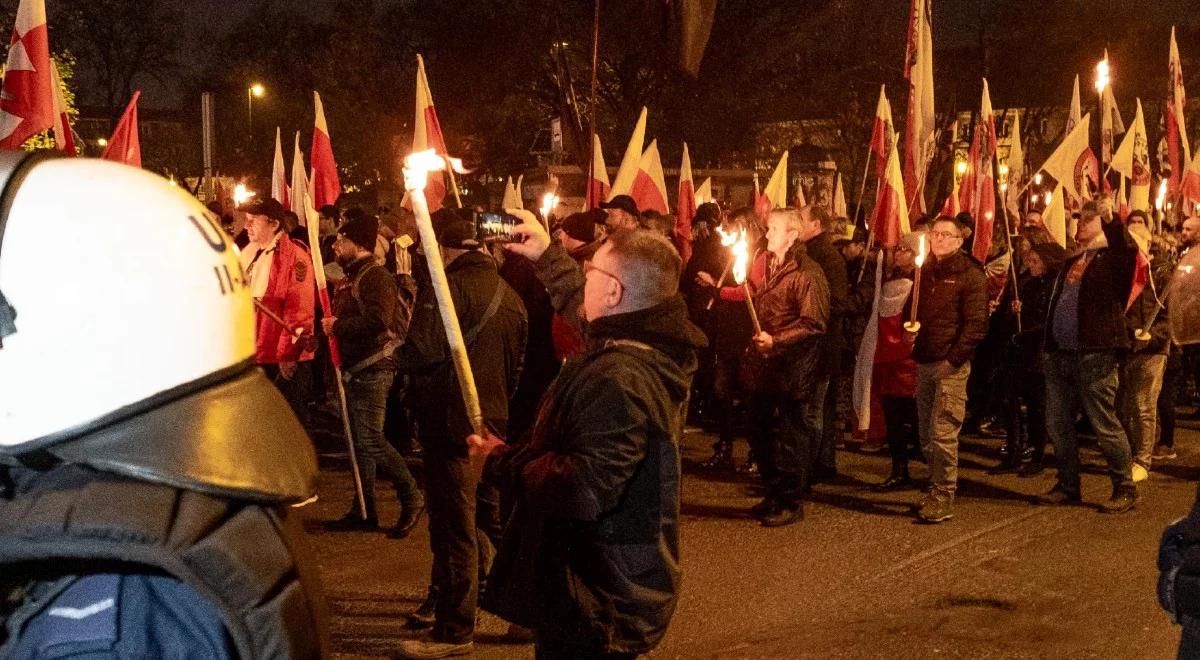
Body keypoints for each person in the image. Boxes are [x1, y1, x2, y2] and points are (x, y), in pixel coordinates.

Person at [0, 153, 327, 657]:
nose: (250, 223)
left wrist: (292, 351)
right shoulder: (170, 503)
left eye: (258, 218)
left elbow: (296, 307)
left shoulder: (111, 612)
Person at [472, 211, 705, 659]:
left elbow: (583, 487)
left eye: (591, 270)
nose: (585, 278)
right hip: (600, 587)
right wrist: (546, 256)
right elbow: (589, 317)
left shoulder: (619, 378)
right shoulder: (645, 338)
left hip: (596, 597)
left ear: (615, 291)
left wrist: (499, 462)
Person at [397, 209, 527, 659]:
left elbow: (419, 350)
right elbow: (517, 368)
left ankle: (454, 631)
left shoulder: (447, 290)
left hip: (450, 428)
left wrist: (400, 346)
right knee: (495, 521)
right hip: (492, 428)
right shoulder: (511, 294)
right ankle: (523, 612)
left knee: (456, 530)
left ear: (444, 249)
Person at [322, 214, 425, 536]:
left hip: (373, 368)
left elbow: (379, 320)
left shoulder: (375, 276)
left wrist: (337, 327)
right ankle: (364, 508)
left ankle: (412, 496)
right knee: (359, 442)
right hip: (357, 369)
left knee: (370, 439)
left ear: (360, 244)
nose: (336, 245)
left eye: (343, 240)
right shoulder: (355, 275)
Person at [1038, 198, 1139, 513]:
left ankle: (1124, 486)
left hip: (1095, 353)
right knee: (1057, 423)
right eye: (1079, 218)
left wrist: (1112, 220)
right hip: (1062, 353)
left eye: (1088, 219)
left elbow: (1127, 250)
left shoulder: (1112, 259)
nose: (1080, 223)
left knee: (1102, 422)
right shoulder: (1073, 260)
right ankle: (1068, 484)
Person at [740, 208, 830, 526]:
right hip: (767, 365)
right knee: (757, 429)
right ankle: (774, 492)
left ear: (792, 234)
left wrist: (776, 341)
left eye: (774, 228)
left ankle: (791, 501)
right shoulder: (774, 266)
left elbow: (814, 322)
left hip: (793, 367)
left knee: (791, 436)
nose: (767, 234)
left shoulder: (806, 272)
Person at [908, 215, 989, 523]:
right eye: (935, 234)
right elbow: (912, 309)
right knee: (926, 434)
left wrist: (953, 360)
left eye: (946, 235)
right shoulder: (924, 271)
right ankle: (935, 483)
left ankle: (944, 493)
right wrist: (910, 330)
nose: (938, 239)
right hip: (925, 361)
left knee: (943, 432)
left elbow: (976, 326)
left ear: (959, 241)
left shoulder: (970, 276)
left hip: (949, 365)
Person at [238, 197, 317, 424]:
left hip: (281, 358)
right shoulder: (250, 253)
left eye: (253, 220)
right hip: (257, 352)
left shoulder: (293, 257)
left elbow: (298, 311)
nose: (247, 226)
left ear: (273, 224)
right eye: (246, 220)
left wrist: (288, 356)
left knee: (288, 423)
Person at [992, 242, 1064, 476]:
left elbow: (1052, 323)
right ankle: (1013, 451)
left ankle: (1038, 455)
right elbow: (1010, 317)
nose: (1030, 265)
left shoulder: (1056, 287)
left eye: (1035, 261)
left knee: (1037, 406)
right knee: (1008, 399)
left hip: (1040, 353)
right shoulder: (1027, 284)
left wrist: (1027, 335)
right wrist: (1014, 311)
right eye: (1029, 260)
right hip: (1019, 352)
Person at [797, 204, 850, 483]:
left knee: (812, 411)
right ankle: (822, 463)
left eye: (801, 219)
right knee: (818, 409)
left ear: (816, 224)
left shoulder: (827, 258)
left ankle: (807, 470)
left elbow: (838, 302)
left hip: (820, 345)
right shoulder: (808, 254)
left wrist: (805, 313)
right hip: (813, 345)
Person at [1118, 223, 1171, 482]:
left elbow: (1170, 317)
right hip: (1129, 347)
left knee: (1144, 404)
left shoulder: (1161, 276)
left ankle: (1143, 459)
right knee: (1126, 406)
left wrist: (1154, 335)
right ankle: (1129, 453)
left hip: (1154, 350)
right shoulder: (1124, 275)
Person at [870, 231, 922, 491]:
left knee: (915, 417)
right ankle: (899, 469)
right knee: (892, 418)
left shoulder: (922, 283)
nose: (899, 253)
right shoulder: (888, 280)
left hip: (908, 361)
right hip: (887, 360)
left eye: (906, 250)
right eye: (898, 249)